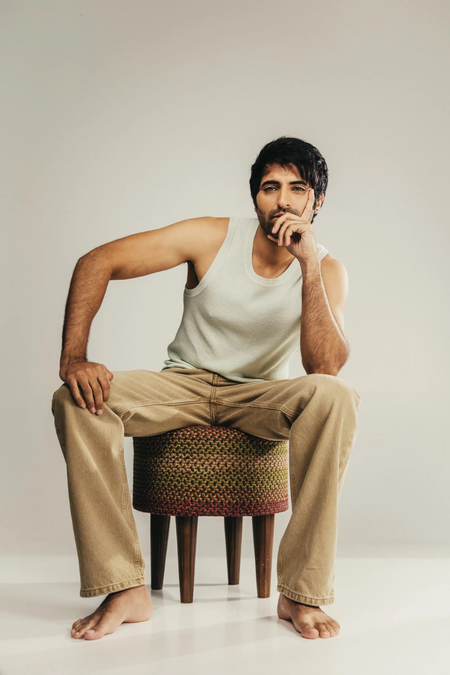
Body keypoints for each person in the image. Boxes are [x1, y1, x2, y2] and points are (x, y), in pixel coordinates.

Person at [51, 136, 361, 641]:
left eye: (297, 189)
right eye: (270, 187)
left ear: (317, 201)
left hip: (261, 396)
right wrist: (74, 358)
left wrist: (307, 264)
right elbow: (97, 261)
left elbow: (323, 368)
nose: (282, 200)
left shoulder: (327, 269)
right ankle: (123, 587)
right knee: (74, 400)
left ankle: (301, 593)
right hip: (184, 384)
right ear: (255, 197)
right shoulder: (211, 237)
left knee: (336, 396)